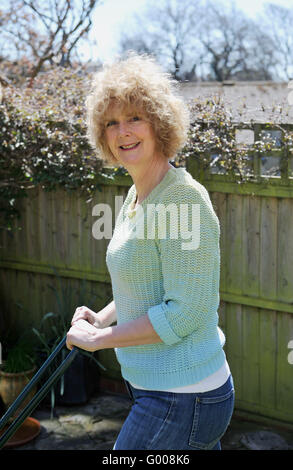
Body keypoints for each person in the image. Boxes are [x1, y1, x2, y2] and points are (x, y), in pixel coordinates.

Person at [66, 53, 235, 450]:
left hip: (184, 396)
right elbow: (142, 282)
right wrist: (101, 316)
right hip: (155, 389)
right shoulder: (138, 195)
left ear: (159, 123)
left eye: (134, 118)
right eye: (111, 122)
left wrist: (101, 340)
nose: (122, 131)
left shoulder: (183, 201)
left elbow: (186, 310)